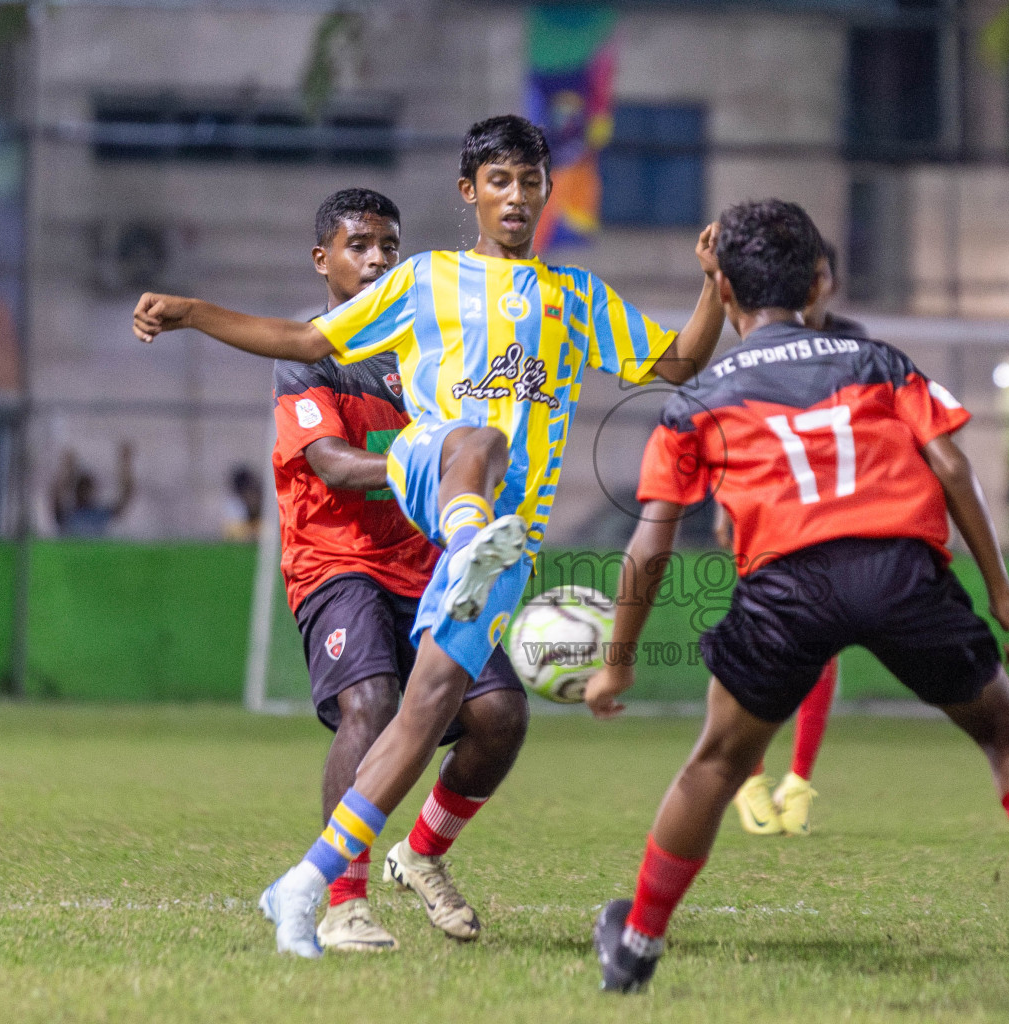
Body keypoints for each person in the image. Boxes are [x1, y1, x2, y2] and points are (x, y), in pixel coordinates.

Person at [132, 114, 726, 958]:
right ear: (469, 194)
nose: (515, 197)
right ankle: (467, 524)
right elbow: (306, 340)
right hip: (432, 477)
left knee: (426, 718)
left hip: (491, 555)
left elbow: (673, 366)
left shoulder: (577, 298)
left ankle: (304, 885)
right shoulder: (425, 279)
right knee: (473, 443)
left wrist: (708, 285)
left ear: (547, 190)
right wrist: (192, 310)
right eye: (498, 183)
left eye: (528, 182)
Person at [584, 199, 1009, 995]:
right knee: (1006, 732)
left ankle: (635, 947)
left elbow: (651, 539)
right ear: (814, 284)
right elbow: (951, 468)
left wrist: (618, 664)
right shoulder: (878, 361)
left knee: (715, 764)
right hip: (900, 571)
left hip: (786, 587)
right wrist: (1001, 596)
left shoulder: (694, 403)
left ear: (723, 288)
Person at [271, 186, 529, 952]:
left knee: (500, 716)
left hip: (430, 562)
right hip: (336, 564)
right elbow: (332, 464)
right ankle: (339, 899)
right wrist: (427, 462)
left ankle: (420, 854)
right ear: (324, 260)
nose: (378, 257)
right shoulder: (311, 350)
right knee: (372, 703)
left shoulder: (430, 349)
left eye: (389, 245)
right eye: (359, 245)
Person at [717, 241, 863, 838]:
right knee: (752, 642)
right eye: (809, 272)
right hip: (765, 508)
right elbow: (736, 424)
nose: (816, 284)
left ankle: (798, 781)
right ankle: (748, 778)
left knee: (821, 648)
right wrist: (726, 500)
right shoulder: (757, 344)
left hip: (830, 513)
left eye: (823, 273)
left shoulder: (853, 346)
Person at [51, 443, 134, 537]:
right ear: (75, 490)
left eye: (87, 490)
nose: (84, 493)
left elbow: (125, 498)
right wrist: (66, 469)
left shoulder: (99, 514)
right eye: (81, 489)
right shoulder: (68, 514)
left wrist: (125, 465)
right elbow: (55, 494)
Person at [222, 465, 263, 542]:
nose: (252, 496)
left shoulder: (262, 504)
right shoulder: (235, 505)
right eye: (248, 491)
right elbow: (234, 531)